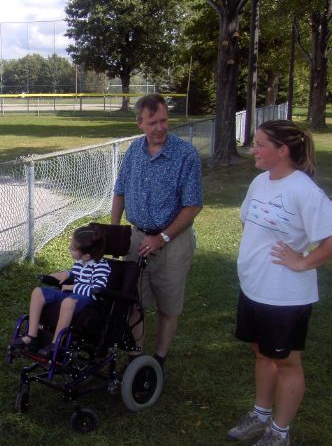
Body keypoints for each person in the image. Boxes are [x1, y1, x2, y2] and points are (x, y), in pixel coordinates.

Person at [227, 120, 332, 446]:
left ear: (282, 150)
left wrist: (301, 261)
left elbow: (329, 240)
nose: (253, 150)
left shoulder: (304, 190)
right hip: (254, 288)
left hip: (284, 297)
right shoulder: (260, 182)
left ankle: (280, 432)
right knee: (261, 352)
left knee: (287, 361)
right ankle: (260, 415)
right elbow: (248, 223)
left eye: (260, 145)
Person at [110, 94, 202, 373]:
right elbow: (120, 191)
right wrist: (115, 231)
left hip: (172, 242)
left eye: (163, 120)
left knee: (168, 307)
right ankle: (136, 359)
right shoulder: (133, 152)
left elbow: (193, 205)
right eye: (153, 123)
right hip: (137, 239)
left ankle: (158, 362)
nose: (160, 127)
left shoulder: (185, 154)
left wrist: (162, 238)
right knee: (132, 302)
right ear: (140, 123)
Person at [12, 223, 111, 357]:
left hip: (87, 301)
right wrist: (66, 274)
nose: (69, 247)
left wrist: (72, 287)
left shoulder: (101, 267)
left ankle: (56, 345)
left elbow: (97, 290)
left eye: (73, 248)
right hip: (72, 295)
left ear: (86, 256)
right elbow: (75, 273)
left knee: (68, 302)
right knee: (38, 292)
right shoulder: (81, 262)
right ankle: (32, 336)